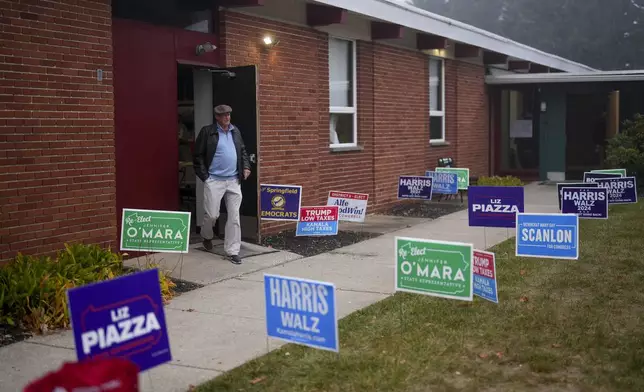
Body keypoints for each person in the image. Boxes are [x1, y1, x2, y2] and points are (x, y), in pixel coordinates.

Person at [193, 104, 251, 265]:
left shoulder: (235, 131)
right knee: (212, 215)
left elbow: (243, 150)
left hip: (233, 180)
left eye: (228, 115)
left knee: (234, 217)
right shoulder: (207, 132)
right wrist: (206, 177)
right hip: (214, 180)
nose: (227, 117)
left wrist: (246, 166)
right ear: (217, 117)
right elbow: (197, 156)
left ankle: (233, 251)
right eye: (223, 115)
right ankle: (206, 236)